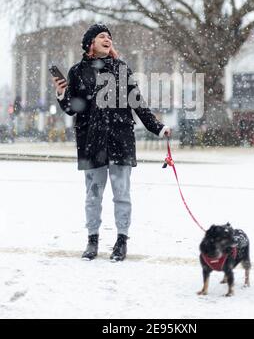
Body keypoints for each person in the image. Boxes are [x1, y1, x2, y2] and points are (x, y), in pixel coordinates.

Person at [52, 23, 171, 262]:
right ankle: (92, 240)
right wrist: (61, 94)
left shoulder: (122, 69)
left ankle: (121, 241)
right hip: (91, 141)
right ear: (90, 44)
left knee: (122, 193)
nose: (108, 39)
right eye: (102, 36)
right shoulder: (77, 72)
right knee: (93, 194)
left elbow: (138, 103)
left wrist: (158, 128)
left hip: (120, 139)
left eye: (109, 37)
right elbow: (71, 109)